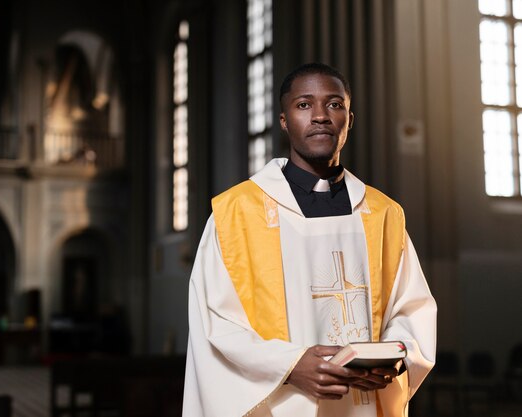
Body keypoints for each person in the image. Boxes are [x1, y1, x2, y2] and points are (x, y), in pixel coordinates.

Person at [182, 62, 437, 417]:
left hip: (362, 404)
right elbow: (215, 324)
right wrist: (290, 366)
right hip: (280, 404)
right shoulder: (236, 213)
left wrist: (395, 359)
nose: (320, 116)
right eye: (304, 105)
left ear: (350, 117)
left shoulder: (382, 214)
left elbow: (411, 309)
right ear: (284, 120)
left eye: (334, 104)